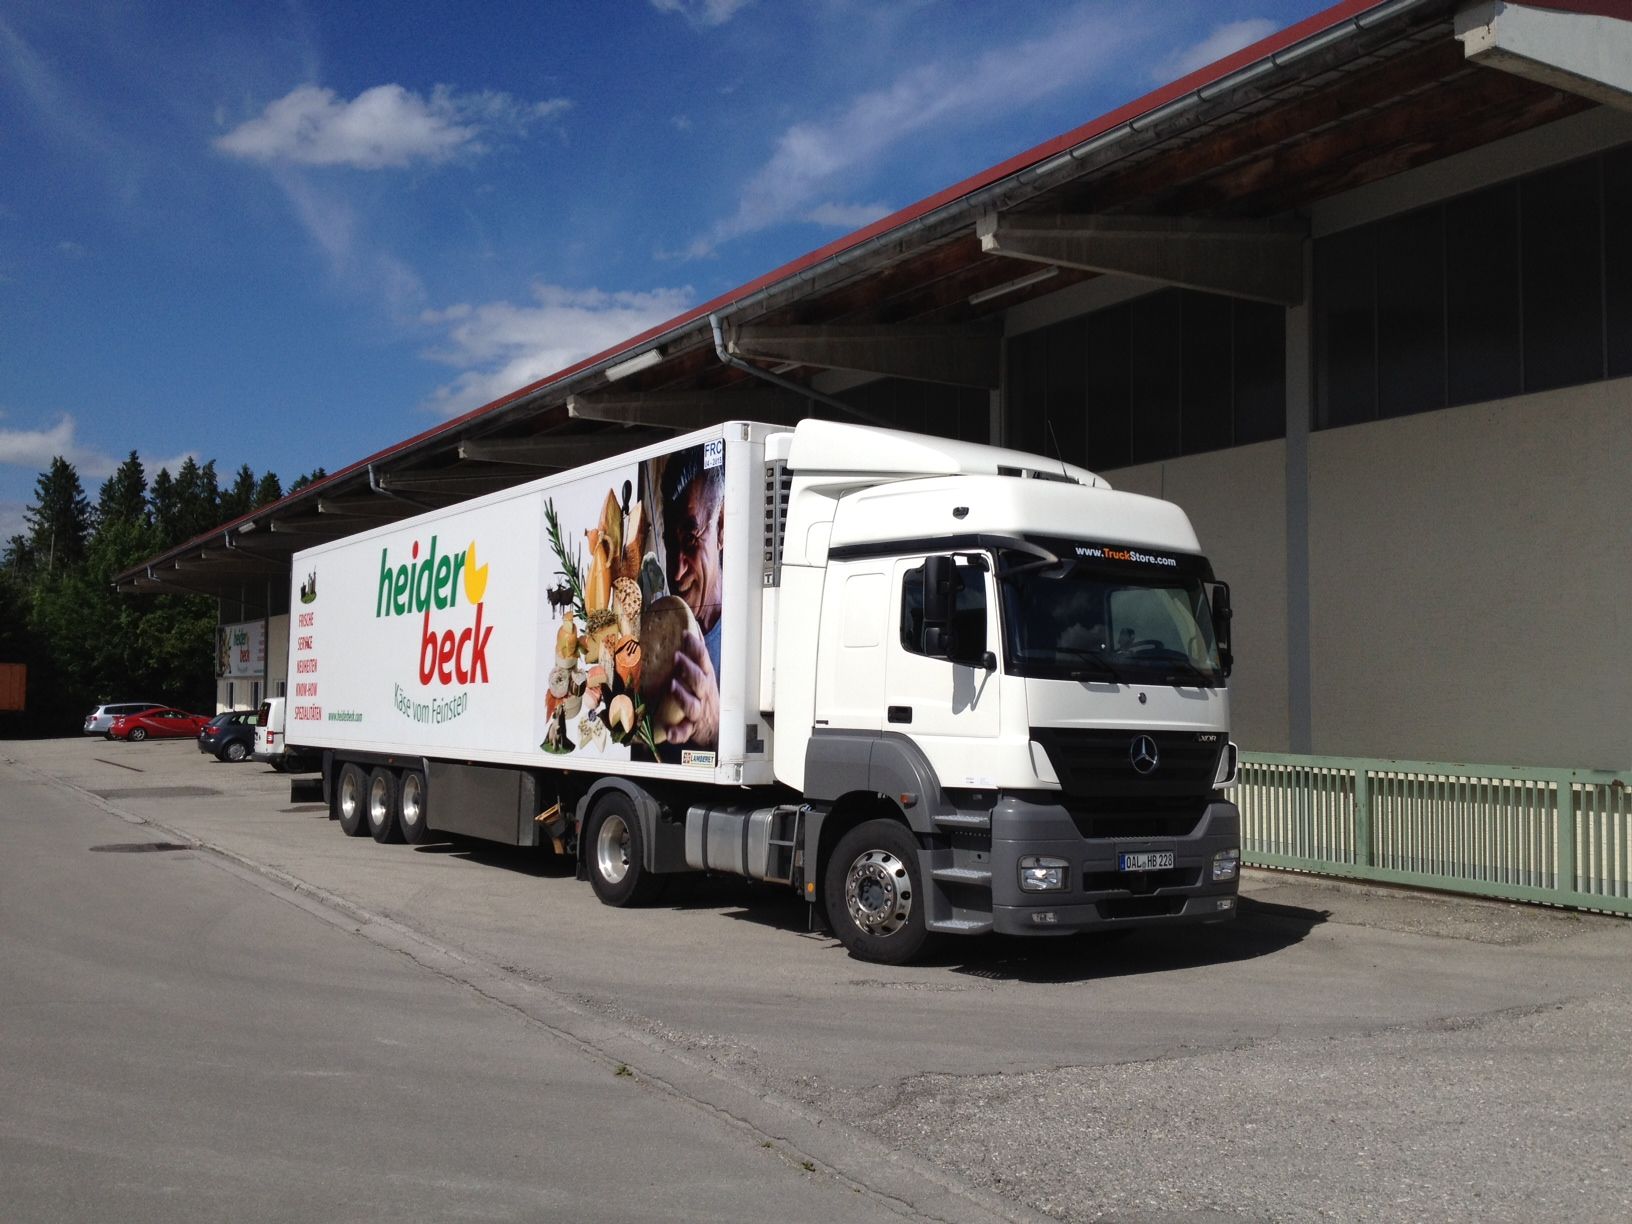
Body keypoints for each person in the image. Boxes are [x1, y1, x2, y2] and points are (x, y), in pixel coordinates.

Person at [657, 446, 724, 751]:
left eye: (690, 540)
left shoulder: (752, 636)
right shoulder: (653, 629)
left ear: (722, 528)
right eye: (671, 543)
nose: (676, 570)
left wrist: (713, 728)